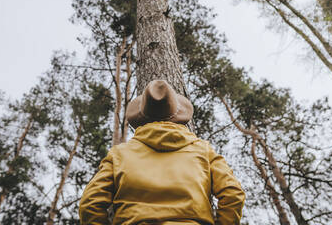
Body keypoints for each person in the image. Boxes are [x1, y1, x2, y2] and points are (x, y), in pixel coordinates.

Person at [79, 79, 245, 224]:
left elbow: (90, 203)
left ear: (142, 117)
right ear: (177, 115)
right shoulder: (203, 149)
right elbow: (232, 194)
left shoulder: (119, 154)